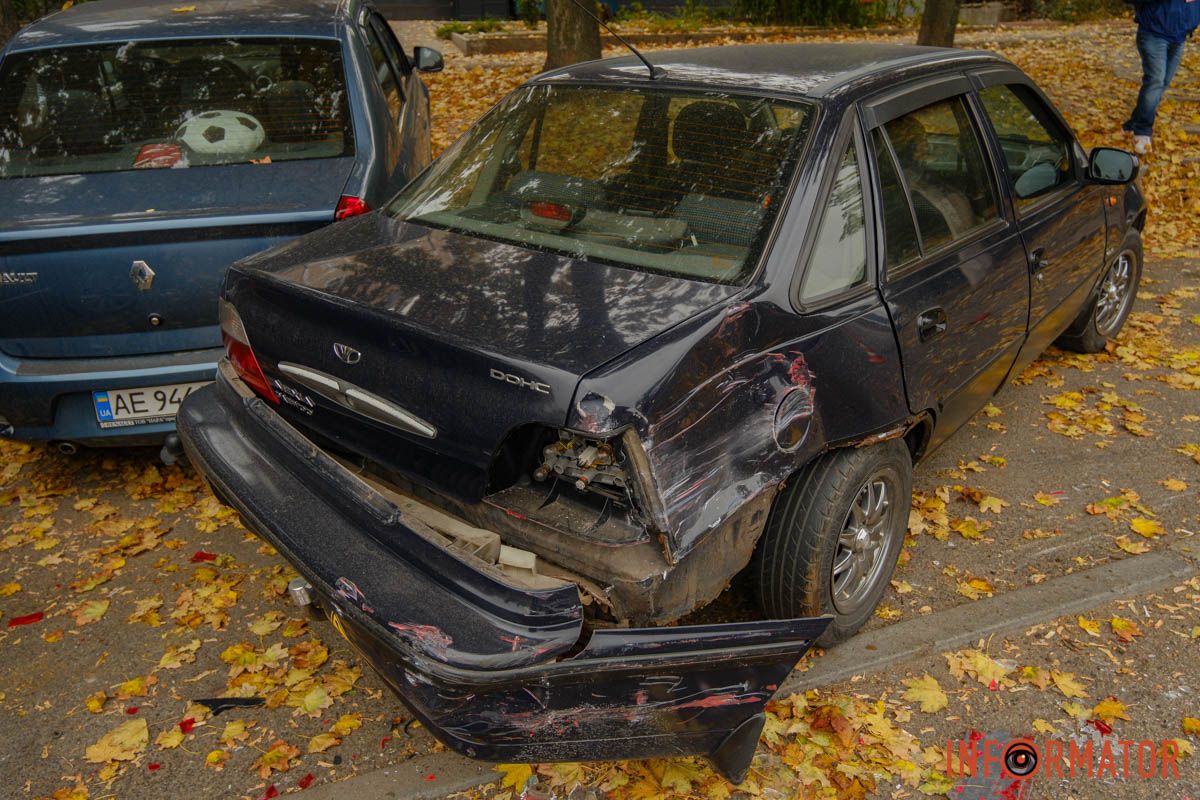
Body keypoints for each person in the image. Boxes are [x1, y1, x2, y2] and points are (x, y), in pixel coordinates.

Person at [1122, 0, 1200, 154]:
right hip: (1154, 33)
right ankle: (1142, 131)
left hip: (1179, 35)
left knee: (1163, 82)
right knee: (1155, 81)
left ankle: (1133, 124)